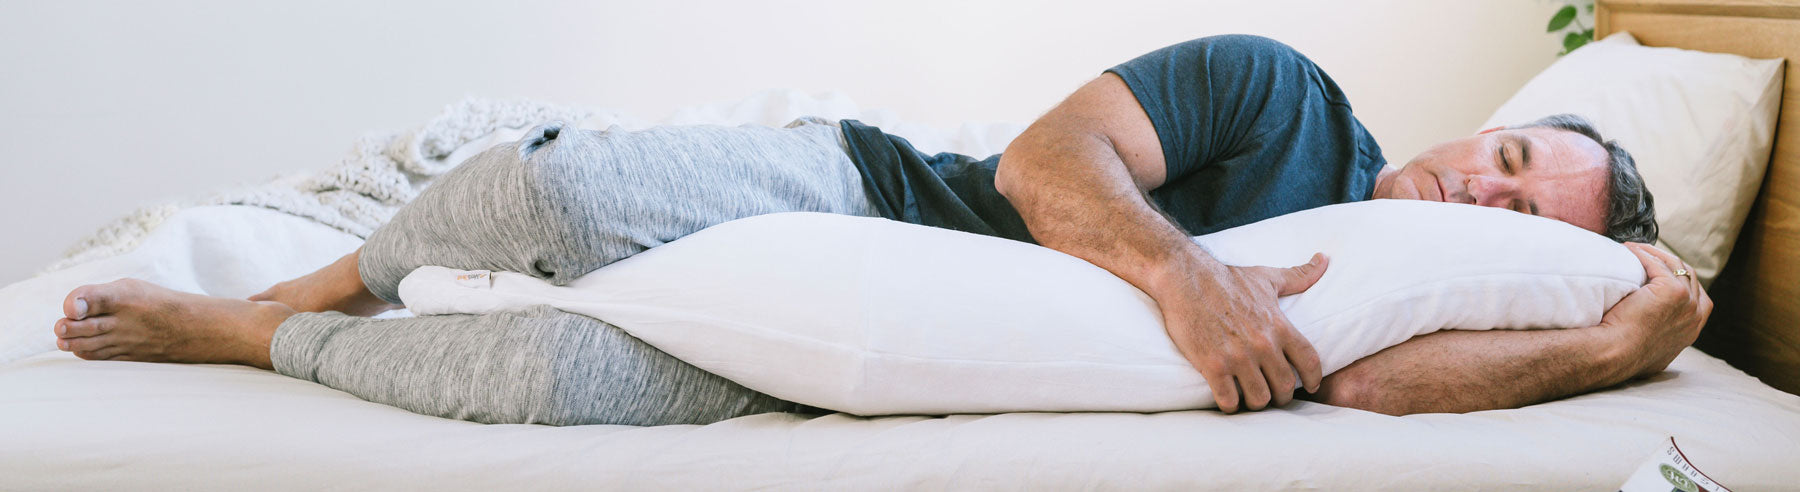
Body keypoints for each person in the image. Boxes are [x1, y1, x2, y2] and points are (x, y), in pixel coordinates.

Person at [47, 35, 1710, 424]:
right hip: (876, 194)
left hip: (923, 349)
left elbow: (1370, 400)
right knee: (551, 194)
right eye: (1503, 156)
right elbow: (1051, 163)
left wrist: (1617, 336)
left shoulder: (1428, 291)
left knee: (562, 381)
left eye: (1518, 214)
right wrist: (1182, 276)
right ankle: (288, 281)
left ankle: (281, 336)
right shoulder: (1276, 92)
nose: (1476, 199)